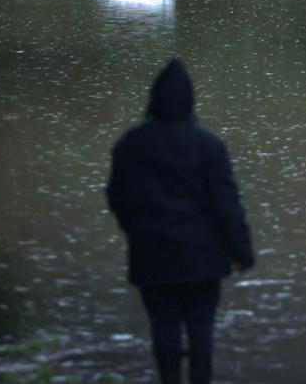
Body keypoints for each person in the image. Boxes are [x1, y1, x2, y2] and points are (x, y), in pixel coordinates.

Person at [107, 57, 255, 384]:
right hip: (204, 259)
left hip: (151, 256)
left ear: (153, 99)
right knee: (201, 331)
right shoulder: (209, 145)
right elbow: (226, 205)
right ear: (190, 100)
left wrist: (137, 232)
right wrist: (242, 253)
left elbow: (118, 199)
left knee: (164, 329)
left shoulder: (130, 145)